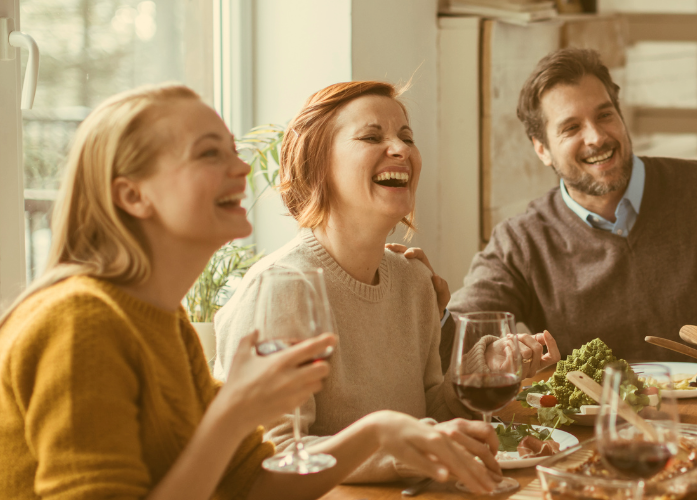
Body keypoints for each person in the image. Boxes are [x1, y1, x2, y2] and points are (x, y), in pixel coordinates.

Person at [0, 84, 502, 498]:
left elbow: (256, 485)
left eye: (232, 149)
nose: (243, 166)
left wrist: (380, 430)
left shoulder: (163, 321)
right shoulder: (79, 324)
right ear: (132, 195)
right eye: (209, 154)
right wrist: (233, 415)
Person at [213, 80, 557, 486]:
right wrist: (400, 451)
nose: (402, 150)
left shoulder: (413, 280)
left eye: (407, 137)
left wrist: (485, 367)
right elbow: (275, 461)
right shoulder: (280, 291)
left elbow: (429, 411)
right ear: (317, 163)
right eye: (372, 136)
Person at [442, 48, 697, 364]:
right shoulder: (522, 241)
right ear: (541, 149)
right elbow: (455, 335)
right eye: (571, 128)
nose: (597, 137)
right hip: (602, 438)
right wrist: (417, 291)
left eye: (605, 115)